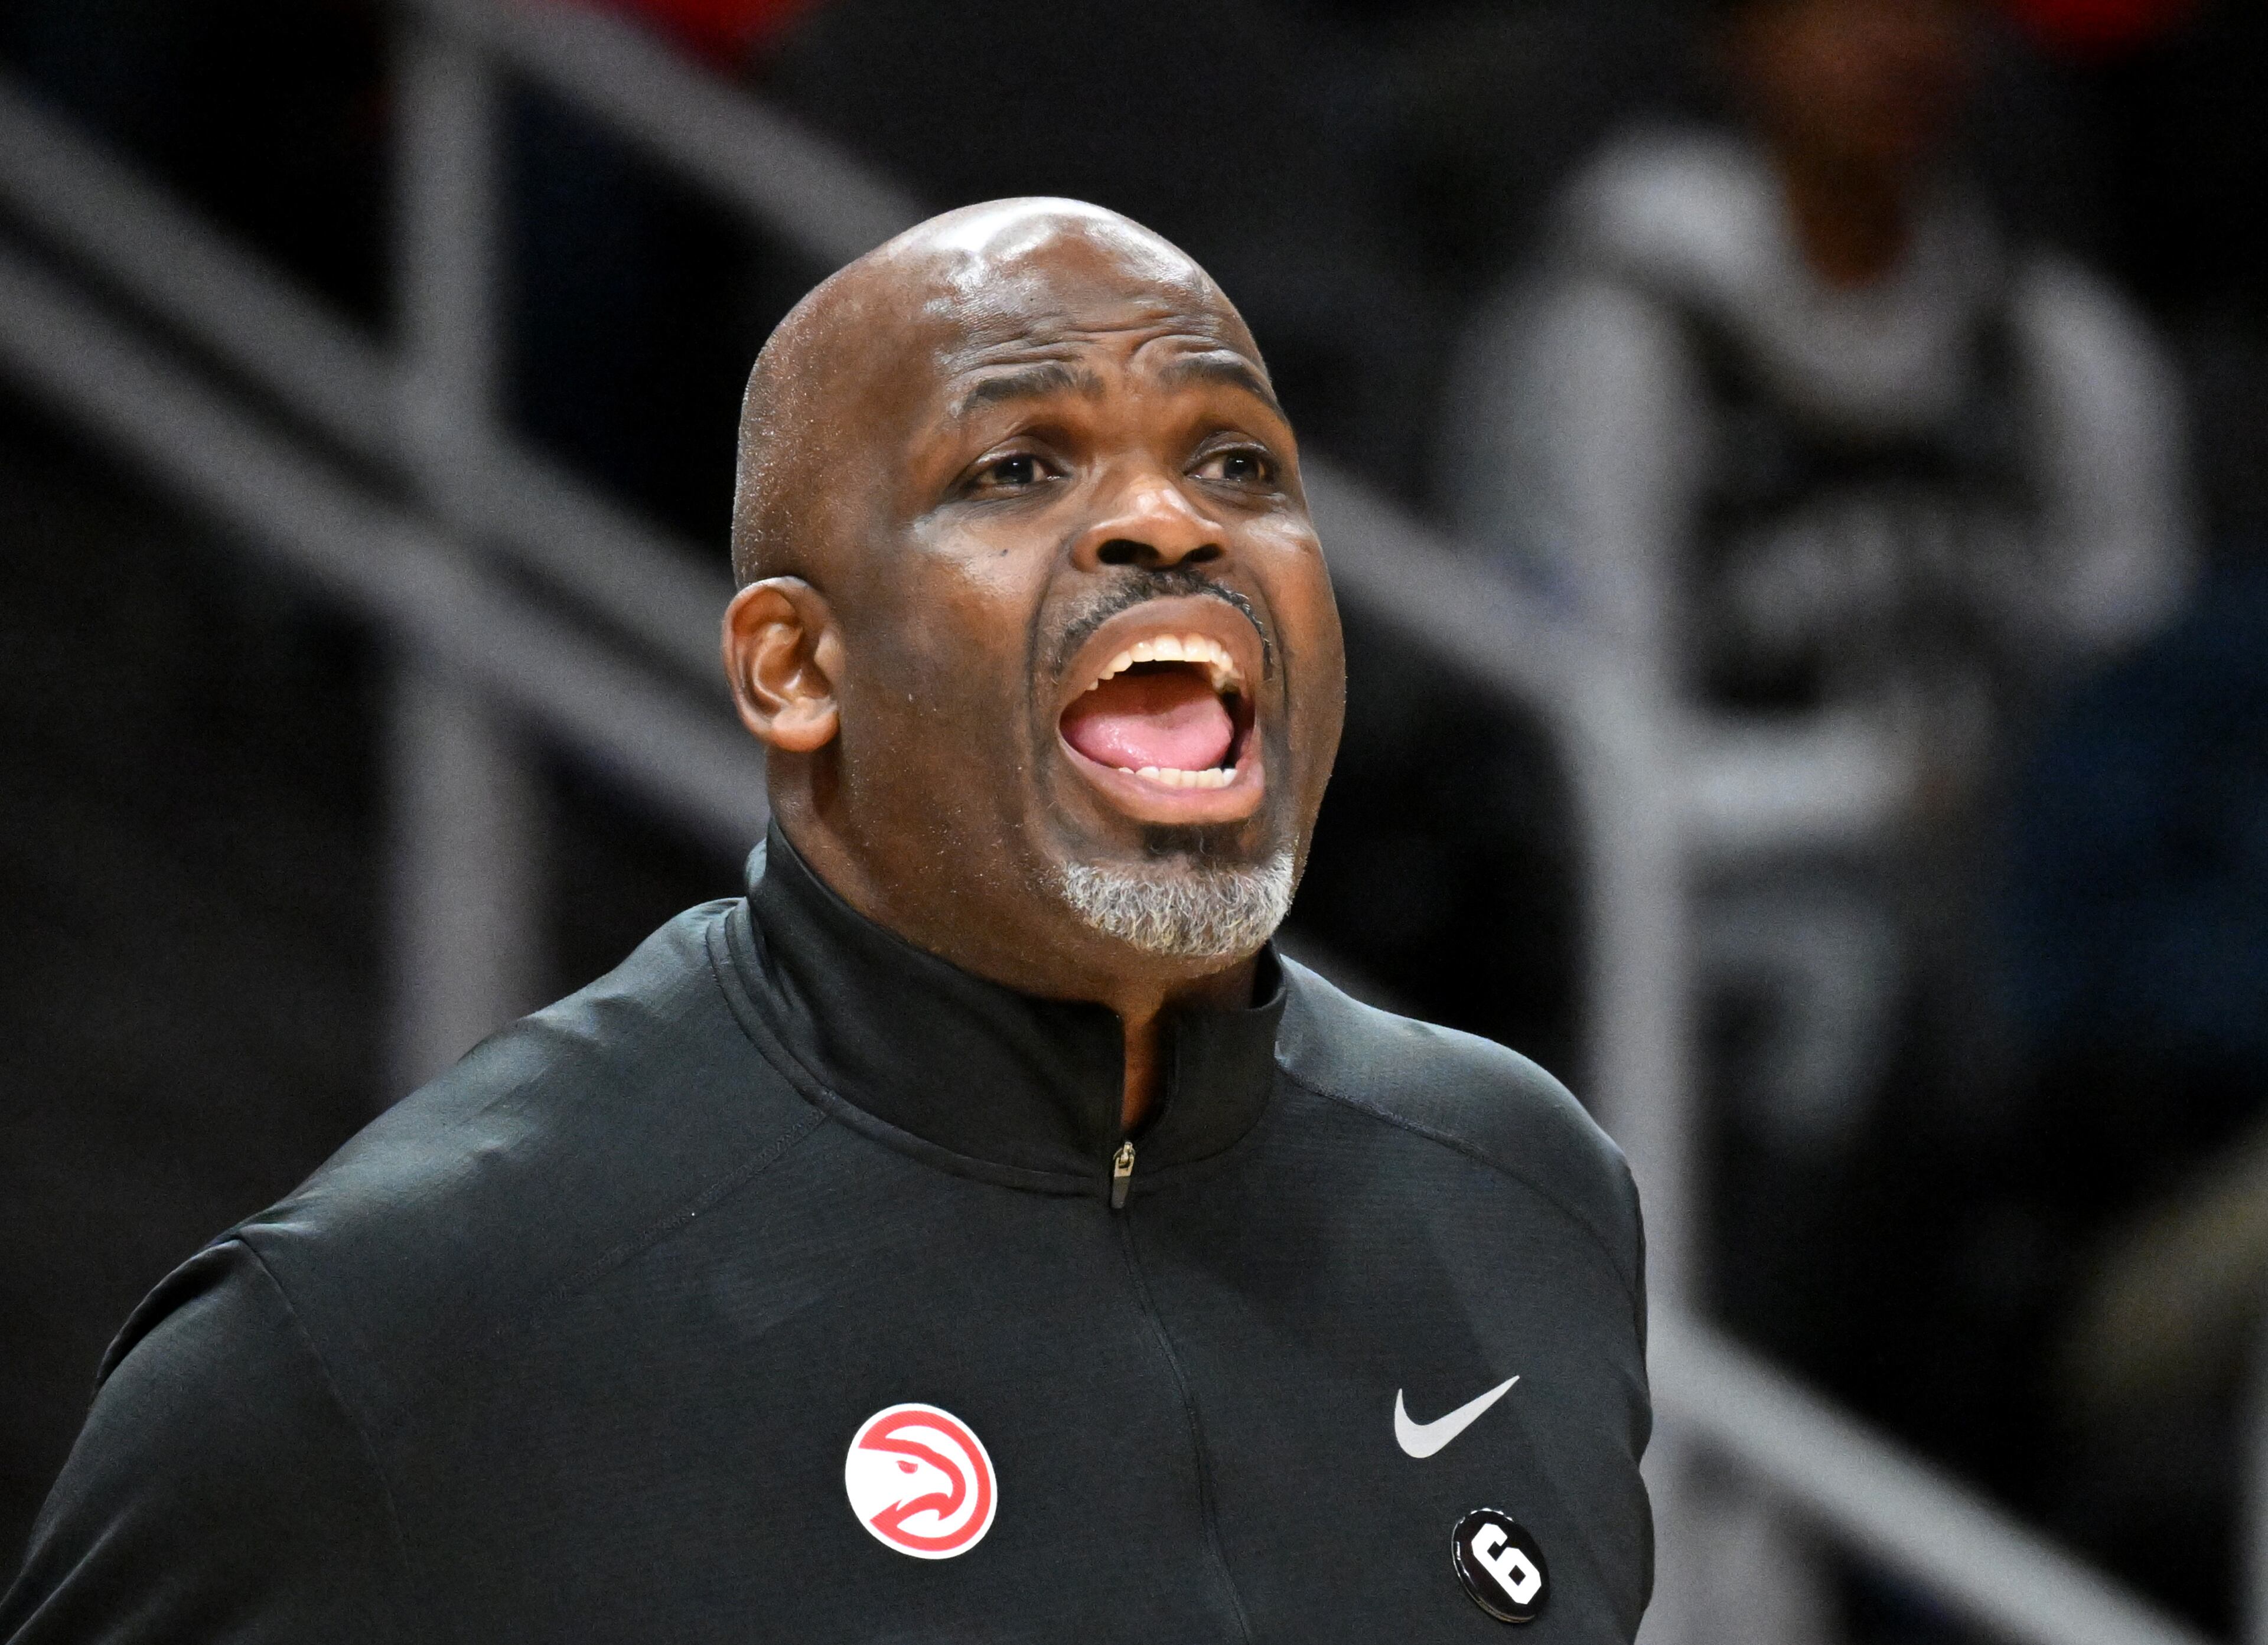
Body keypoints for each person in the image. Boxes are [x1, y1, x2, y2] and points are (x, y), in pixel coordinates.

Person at [2, 200, 1652, 1641]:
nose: (1175, 522)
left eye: (1238, 460)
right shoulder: (392, 1337)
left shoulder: (1522, 1197)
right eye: (1017, 466)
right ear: (796, 670)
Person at [1441, 0, 2188, 1434]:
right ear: (1736, 36)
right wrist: (1891, 786)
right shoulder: (1614, 336)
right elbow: (1585, 778)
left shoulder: (2058, 346)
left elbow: (2144, 719)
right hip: (1694, 988)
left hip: (2014, 997)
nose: (1898, 41)